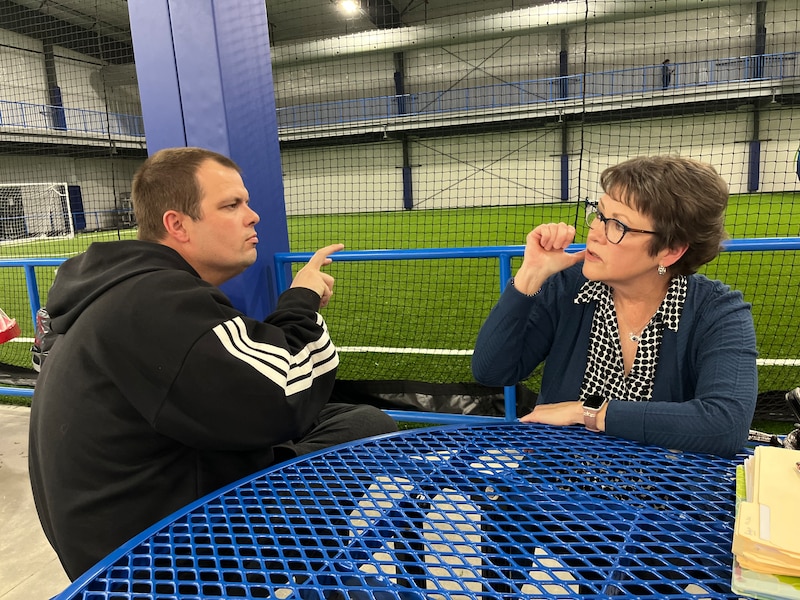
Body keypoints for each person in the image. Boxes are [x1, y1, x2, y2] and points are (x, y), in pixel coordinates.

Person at [28, 147, 397, 580]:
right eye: (231, 205)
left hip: (120, 537)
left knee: (334, 417)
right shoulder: (156, 301)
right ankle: (325, 574)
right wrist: (303, 299)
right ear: (177, 225)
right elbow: (285, 391)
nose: (253, 215)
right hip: (162, 562)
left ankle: (324, 570)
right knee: (367, 427)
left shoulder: (124, 292)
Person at [472, 156, 757, 458]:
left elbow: (725, 424)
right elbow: (492, 371)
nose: (595, 232)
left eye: (617, 225)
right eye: (599, 214)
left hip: (661, 497)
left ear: (670, 251)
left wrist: (587, 412)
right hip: (554, 493)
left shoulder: (717, 312)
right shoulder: (570, 287)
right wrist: (531, 275)